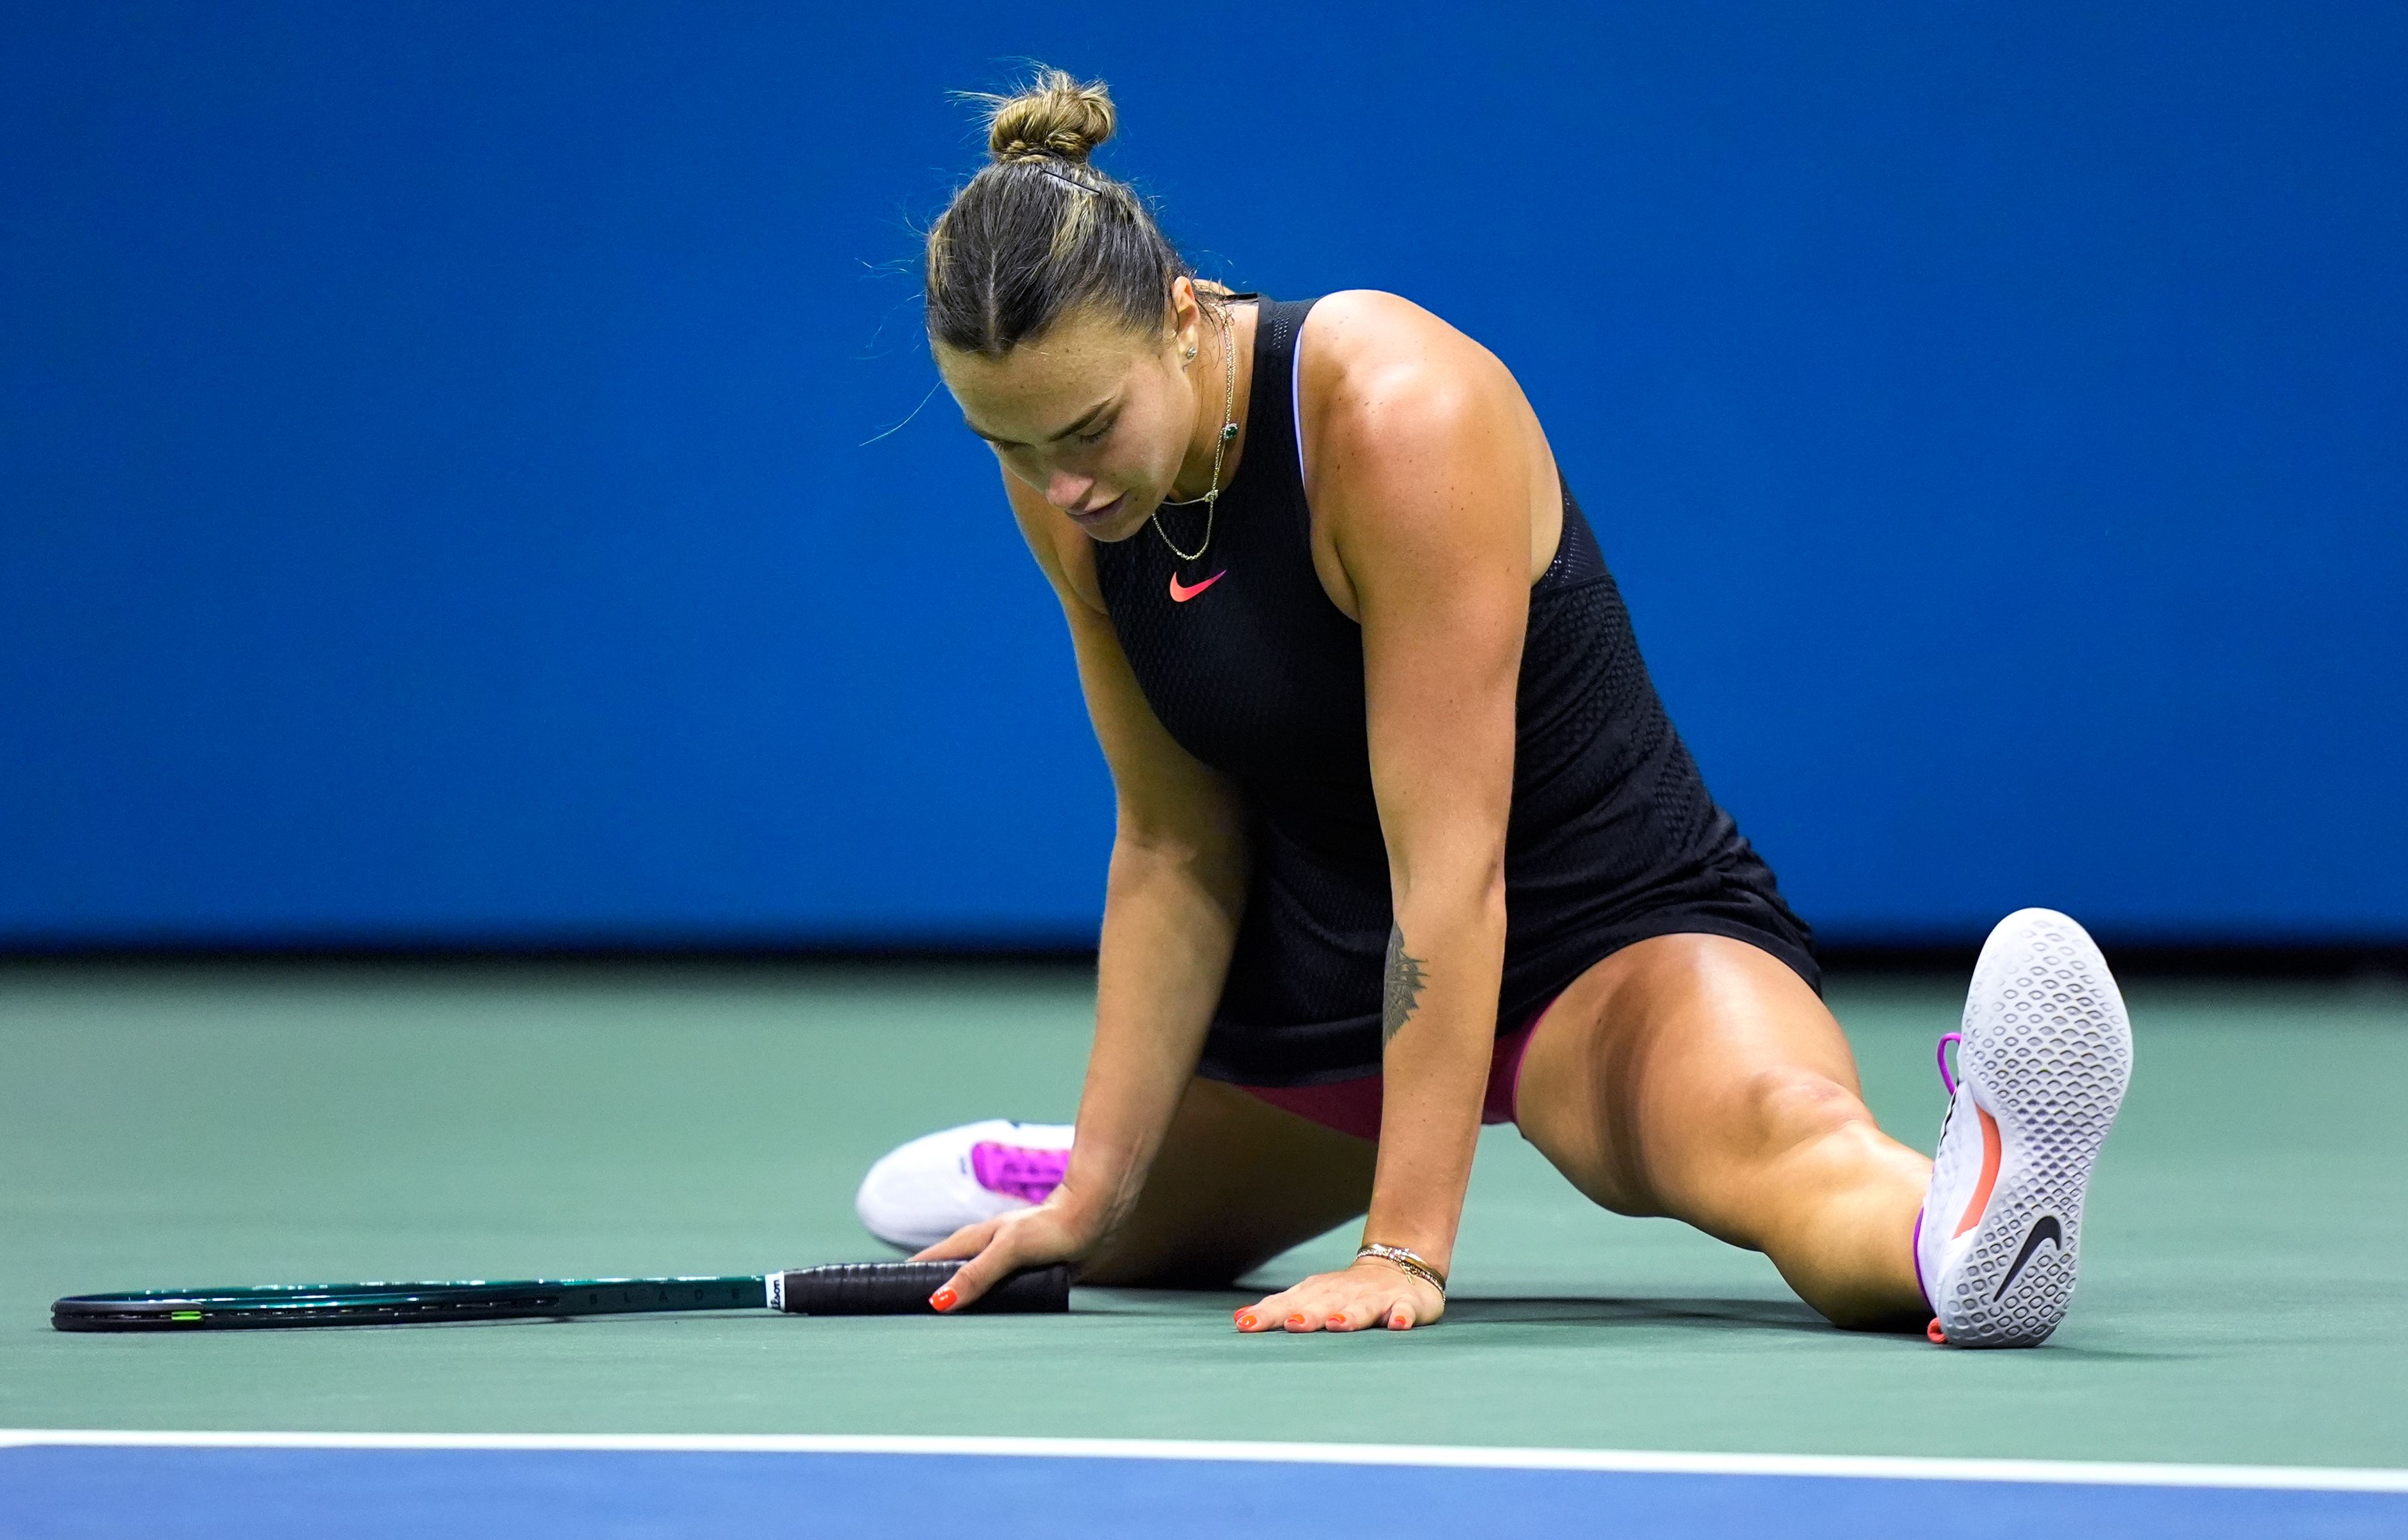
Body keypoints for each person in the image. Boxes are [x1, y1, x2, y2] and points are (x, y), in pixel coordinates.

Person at [870, 68, 2133, 1347]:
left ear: (1184, 316)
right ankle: (1057, 1158)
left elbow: (1453, 868)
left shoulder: (1392, 418)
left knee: (1780, 1138)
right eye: (1009, 445)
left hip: (1602, 941)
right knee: (1111, 1247)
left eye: (1086, 428)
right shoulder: (1066, 482)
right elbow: (1171, 842)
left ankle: (1978, 1213)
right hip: (1330, 992)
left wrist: (1404, 1247)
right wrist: (1098, 1191)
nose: (1061, 483)